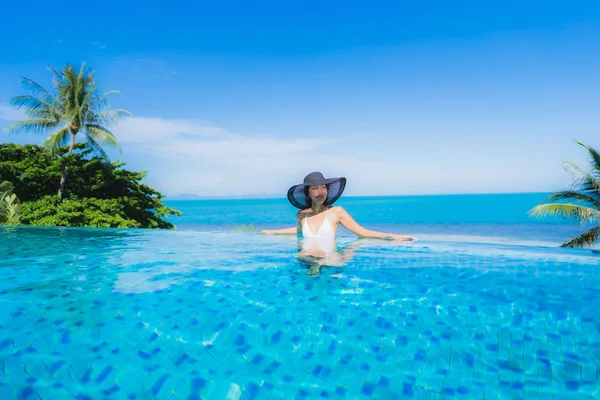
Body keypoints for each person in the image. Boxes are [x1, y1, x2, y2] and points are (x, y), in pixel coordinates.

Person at [259, 171, 418, 242]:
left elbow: (363, 233)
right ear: (308, 193)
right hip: (305, 263)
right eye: (315, 188)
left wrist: (394, 237)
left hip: (329, 263)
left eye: (323, 187)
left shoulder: (337, 212)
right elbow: (299, 232)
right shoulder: (301, 215)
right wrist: (271, 232)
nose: (320, 192)